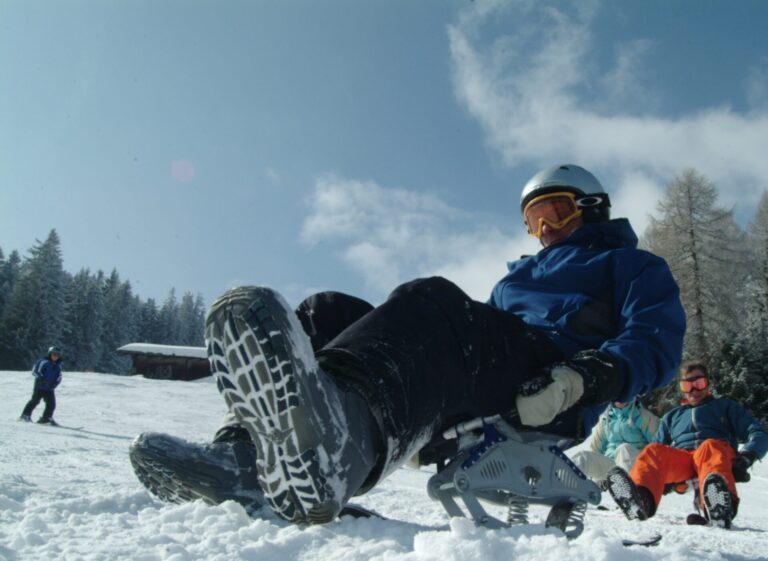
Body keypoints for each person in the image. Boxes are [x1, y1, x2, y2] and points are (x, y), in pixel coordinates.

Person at [130, 164, 687, 524]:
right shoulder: (516, 279)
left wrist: (584, 377)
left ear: (592, 208)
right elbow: (471, 340)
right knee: (327, 310)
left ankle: (338, 451)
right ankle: (244, 456)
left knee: (433, 300)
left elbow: (655, 342)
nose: (544, 231)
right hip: (497, 372)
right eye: (533, 221)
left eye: (555, 213)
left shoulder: (630, 265)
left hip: (551, 382)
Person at [606, 362, 768, 528]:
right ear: (682, 389)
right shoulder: (673, 416)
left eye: (699, 383)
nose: (694, 390)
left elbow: (758, 433)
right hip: (685, 460)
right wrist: (664, 479)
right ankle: (640, 500)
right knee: (652, 450)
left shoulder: (724, 407)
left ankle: (720, 508)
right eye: (687, 385)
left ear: (708, 383)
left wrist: (747, 456)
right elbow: (657, 450)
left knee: (709, 446)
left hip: (715, 455)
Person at [572, 399, 659, 484]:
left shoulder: (643, 416)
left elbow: (659, 446)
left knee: (624, 449)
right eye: (618, 396)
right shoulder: (607, 419)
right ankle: (568, 487)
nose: (621, 399)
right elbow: (595, 449)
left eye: (625, 395)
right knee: (583, 458)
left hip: (637, 468)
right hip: (614, 468)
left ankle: (629, 489)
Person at [20, 346, 64, 426]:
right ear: (50, 354)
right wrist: (42, 379)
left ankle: (46, 418)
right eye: (54, 354)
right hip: (40, 386)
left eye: (57, 355)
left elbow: (59, 376)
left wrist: (55, 383)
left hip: (49, 388)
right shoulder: (44, 362)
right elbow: (35, 371)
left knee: (51, 404)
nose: (55, 356)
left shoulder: (58, 366)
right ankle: (25, 415)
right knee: (35, 401)